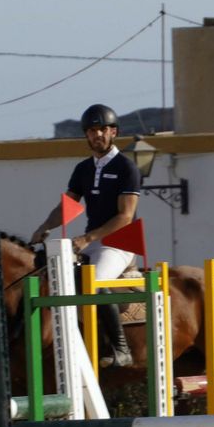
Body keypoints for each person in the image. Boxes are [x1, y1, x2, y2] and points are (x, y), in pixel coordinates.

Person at [30, 103, 141, 366]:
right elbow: (67, 206)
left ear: (113, 132)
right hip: (92, 242)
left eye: (102, 129)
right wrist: (44, 227)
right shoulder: (83, 169)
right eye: (91, 131)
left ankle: (121, 349)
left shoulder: (127, 168)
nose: (97, 135)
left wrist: (87, 239)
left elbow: (125, 217)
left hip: (120, 242)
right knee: (49, 272)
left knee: (96, 282)